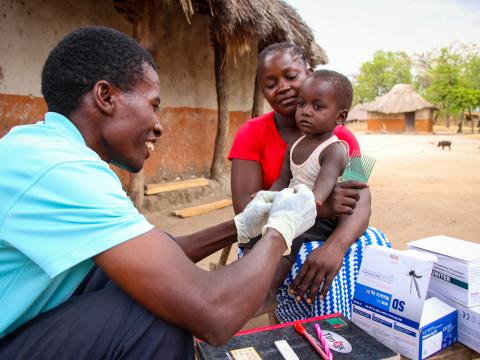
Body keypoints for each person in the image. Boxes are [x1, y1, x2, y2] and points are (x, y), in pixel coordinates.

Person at [0, 27, 318, 359]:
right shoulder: (61, 169)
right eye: (153, 105)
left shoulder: (48, 150)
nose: (159, 125)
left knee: (142, 281)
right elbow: (213, 313)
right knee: (157, 315)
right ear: (105, 96)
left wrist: (240, 226)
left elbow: (157, 253)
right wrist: (282, 229)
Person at [229, 42, 391, 322]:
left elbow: (362, 197)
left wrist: (335, 247)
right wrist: (324, 207)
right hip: (276, 229)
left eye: (291, 77)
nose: (282, 87)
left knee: (368, 244)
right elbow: (245, 207)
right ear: (263, 92)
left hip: (324, 233)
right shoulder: (250, 133)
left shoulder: (344, 138)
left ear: (309, 73)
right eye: (270, 83)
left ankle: (335, 328)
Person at [268, 69, 353, 279]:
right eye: (301, 104)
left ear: (340, 116)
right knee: (258, 232)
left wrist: (313, 201)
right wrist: (267, 197)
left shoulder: (335, 149)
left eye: (317, 107)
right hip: (293, 208)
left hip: (318, 218)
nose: (305, 111)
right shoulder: (295, 144)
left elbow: (326, 183)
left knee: (291, 239)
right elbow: (282, 180)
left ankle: (270, 289)